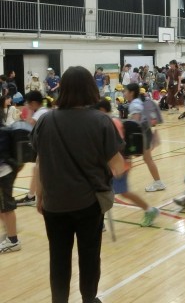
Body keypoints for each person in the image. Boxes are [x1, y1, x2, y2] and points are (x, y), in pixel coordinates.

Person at [31, 66, 125, 303]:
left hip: (54, 203)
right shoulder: (101, 121)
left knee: (58, 257)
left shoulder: (45, 120)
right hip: (88, 203)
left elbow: (40, 162)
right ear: (90, 89)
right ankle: (88, 299)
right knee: (89, 256)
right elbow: (118, 166)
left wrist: (40, 197)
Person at [95, 99, 159, 227]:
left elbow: (117, 145)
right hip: (116, 165)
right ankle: (99, 222)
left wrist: (117, 165)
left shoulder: (112, 122)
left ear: (101, 110)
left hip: (118, 165)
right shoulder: (112, 121)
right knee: (103, 192)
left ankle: (150, 210)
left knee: (121, 192)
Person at [124, 83, 166, 192]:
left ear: (131, 93)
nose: (124, 93)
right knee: (147, 159)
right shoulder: (139, 101)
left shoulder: (134, 104)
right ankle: (158, 182)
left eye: (125, 91)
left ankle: (120, 185)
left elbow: (135, 123)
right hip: (146, 132)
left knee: (131, 158)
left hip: (141, 135)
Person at [14, 91, 49, 207]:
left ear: (33, 103)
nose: (27, 105)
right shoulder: (43, 111)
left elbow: (28, 126)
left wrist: (28, 111)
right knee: (36, 169)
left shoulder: (40, 113)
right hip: (45, 148)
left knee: (38, 170)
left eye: (28, 103)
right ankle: (31, 196)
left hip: (47, 149)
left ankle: (33, 196)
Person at [0, 122, 21, 253]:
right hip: (6, 172)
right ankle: (9, 230)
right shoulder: (4, 129)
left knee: (7, 207)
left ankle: (13, 240)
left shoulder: (2, 131)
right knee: (3, 207)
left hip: (3, 174)